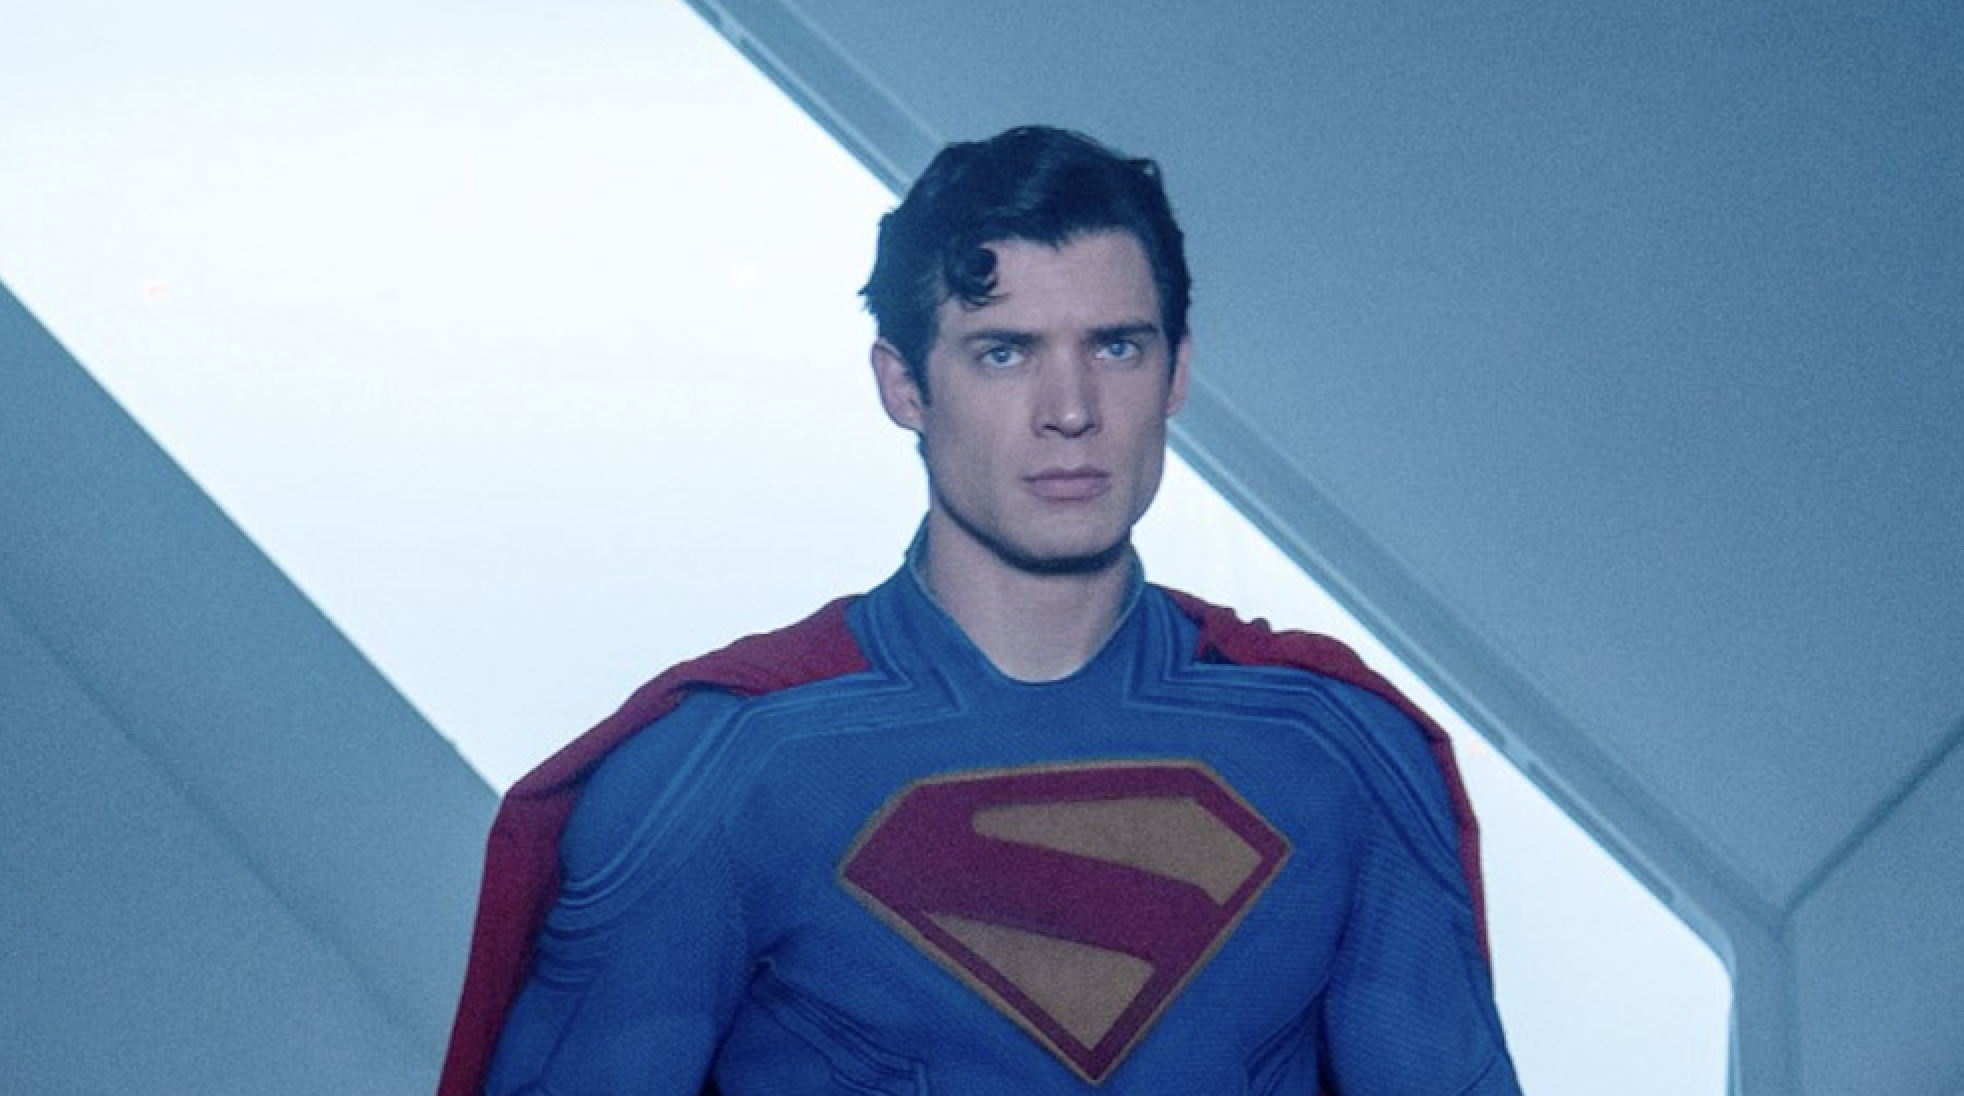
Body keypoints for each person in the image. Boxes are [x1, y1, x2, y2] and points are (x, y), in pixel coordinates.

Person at [438, 125, 1521, 1095]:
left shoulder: (1336, 752)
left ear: (1177, 372)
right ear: (903, 386)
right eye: (1004, 352)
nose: (1071, 411)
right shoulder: (720, 774)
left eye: (1116, 346)